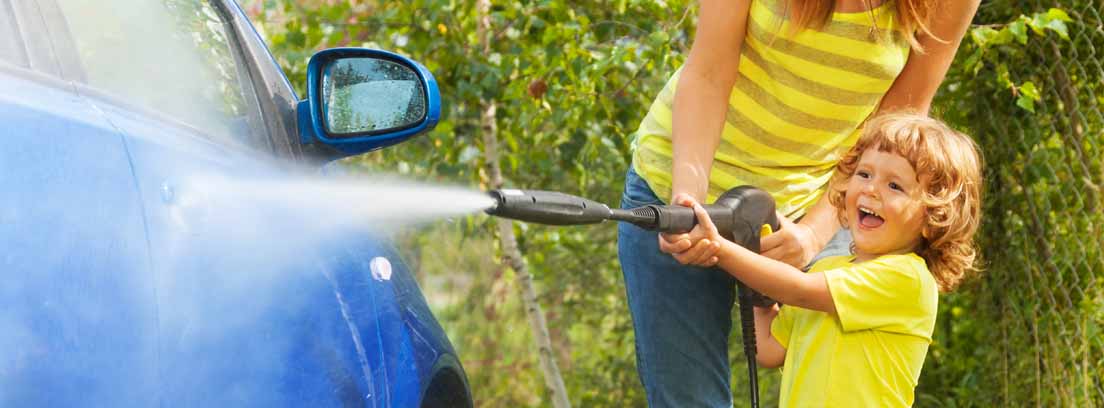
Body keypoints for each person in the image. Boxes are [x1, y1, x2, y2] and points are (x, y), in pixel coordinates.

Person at [616, 0, 980, 405]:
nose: (881, 188)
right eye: (874, 180)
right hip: (681, 183)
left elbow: (897, 121)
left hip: (819, 203)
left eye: (893, 188)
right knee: (687, 397)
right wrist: (686, 205)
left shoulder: (900, 275)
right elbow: (708, 71)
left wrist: (811, 232)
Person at [664, 112, 983, 406]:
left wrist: (720, 247)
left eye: (894, 185)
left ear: (933, 218)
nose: (871, 189)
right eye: (865, 173)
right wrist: (761, 298)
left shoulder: (907, 278)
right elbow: (770, 349)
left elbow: (800, 289)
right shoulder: (828, 269)